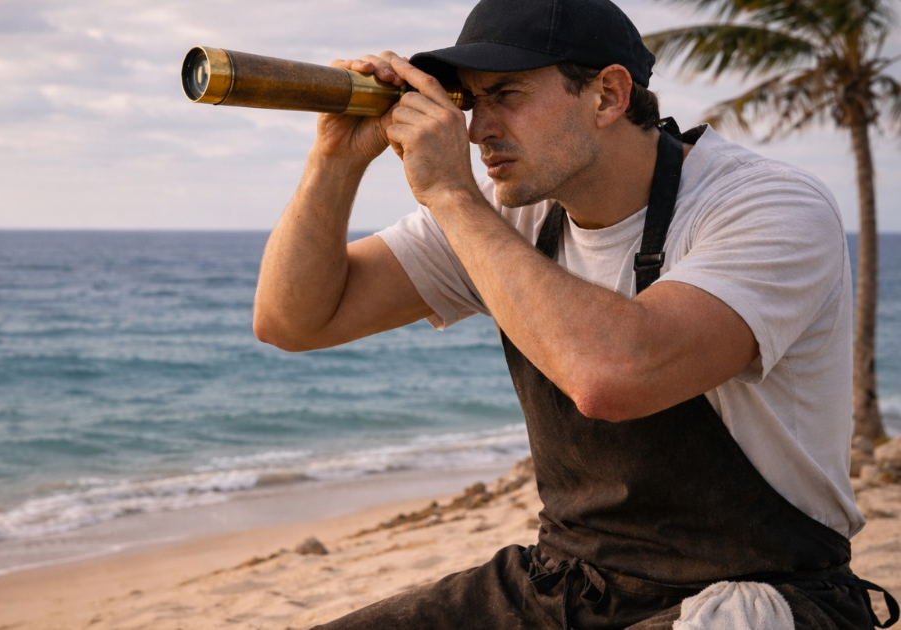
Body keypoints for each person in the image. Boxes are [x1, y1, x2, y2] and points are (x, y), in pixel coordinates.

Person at [251, 0, 898, 627]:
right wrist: (332, 160)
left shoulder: (768, 205)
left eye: (505, 95)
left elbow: (615, 375)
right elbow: (293, 320)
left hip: (762, 592)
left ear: (608, 96)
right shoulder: (509, 219)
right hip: (570, 579)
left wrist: (451, 193)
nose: (477, 131)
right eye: (470, 102)